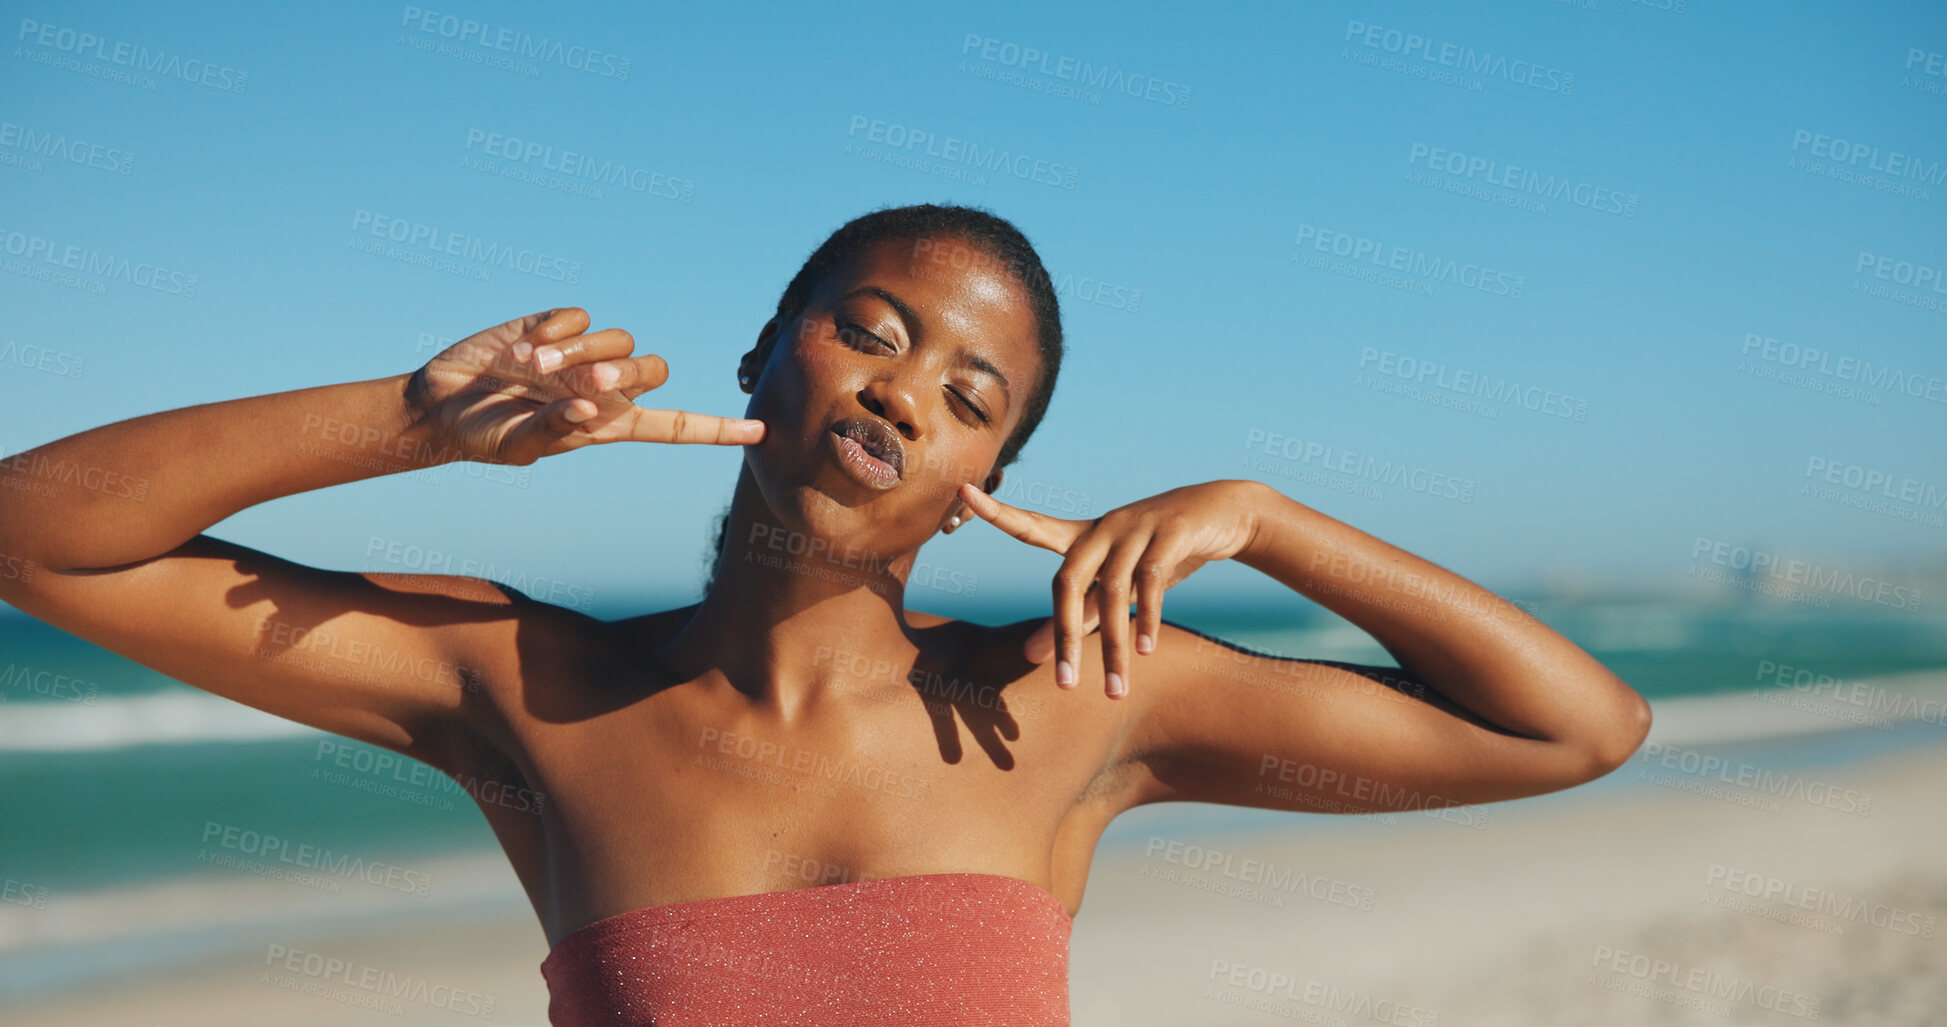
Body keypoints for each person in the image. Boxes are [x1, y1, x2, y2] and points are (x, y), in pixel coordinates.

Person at [0, 203, 1650, 1025]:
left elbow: (1576, 727)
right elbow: (41, 541)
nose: (905, 393)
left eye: (971, 393)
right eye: (868, 329)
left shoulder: (1080, 697)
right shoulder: (517, 679)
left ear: (992, 472)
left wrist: (1268, 521)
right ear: (762, 356)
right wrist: (416, 426)